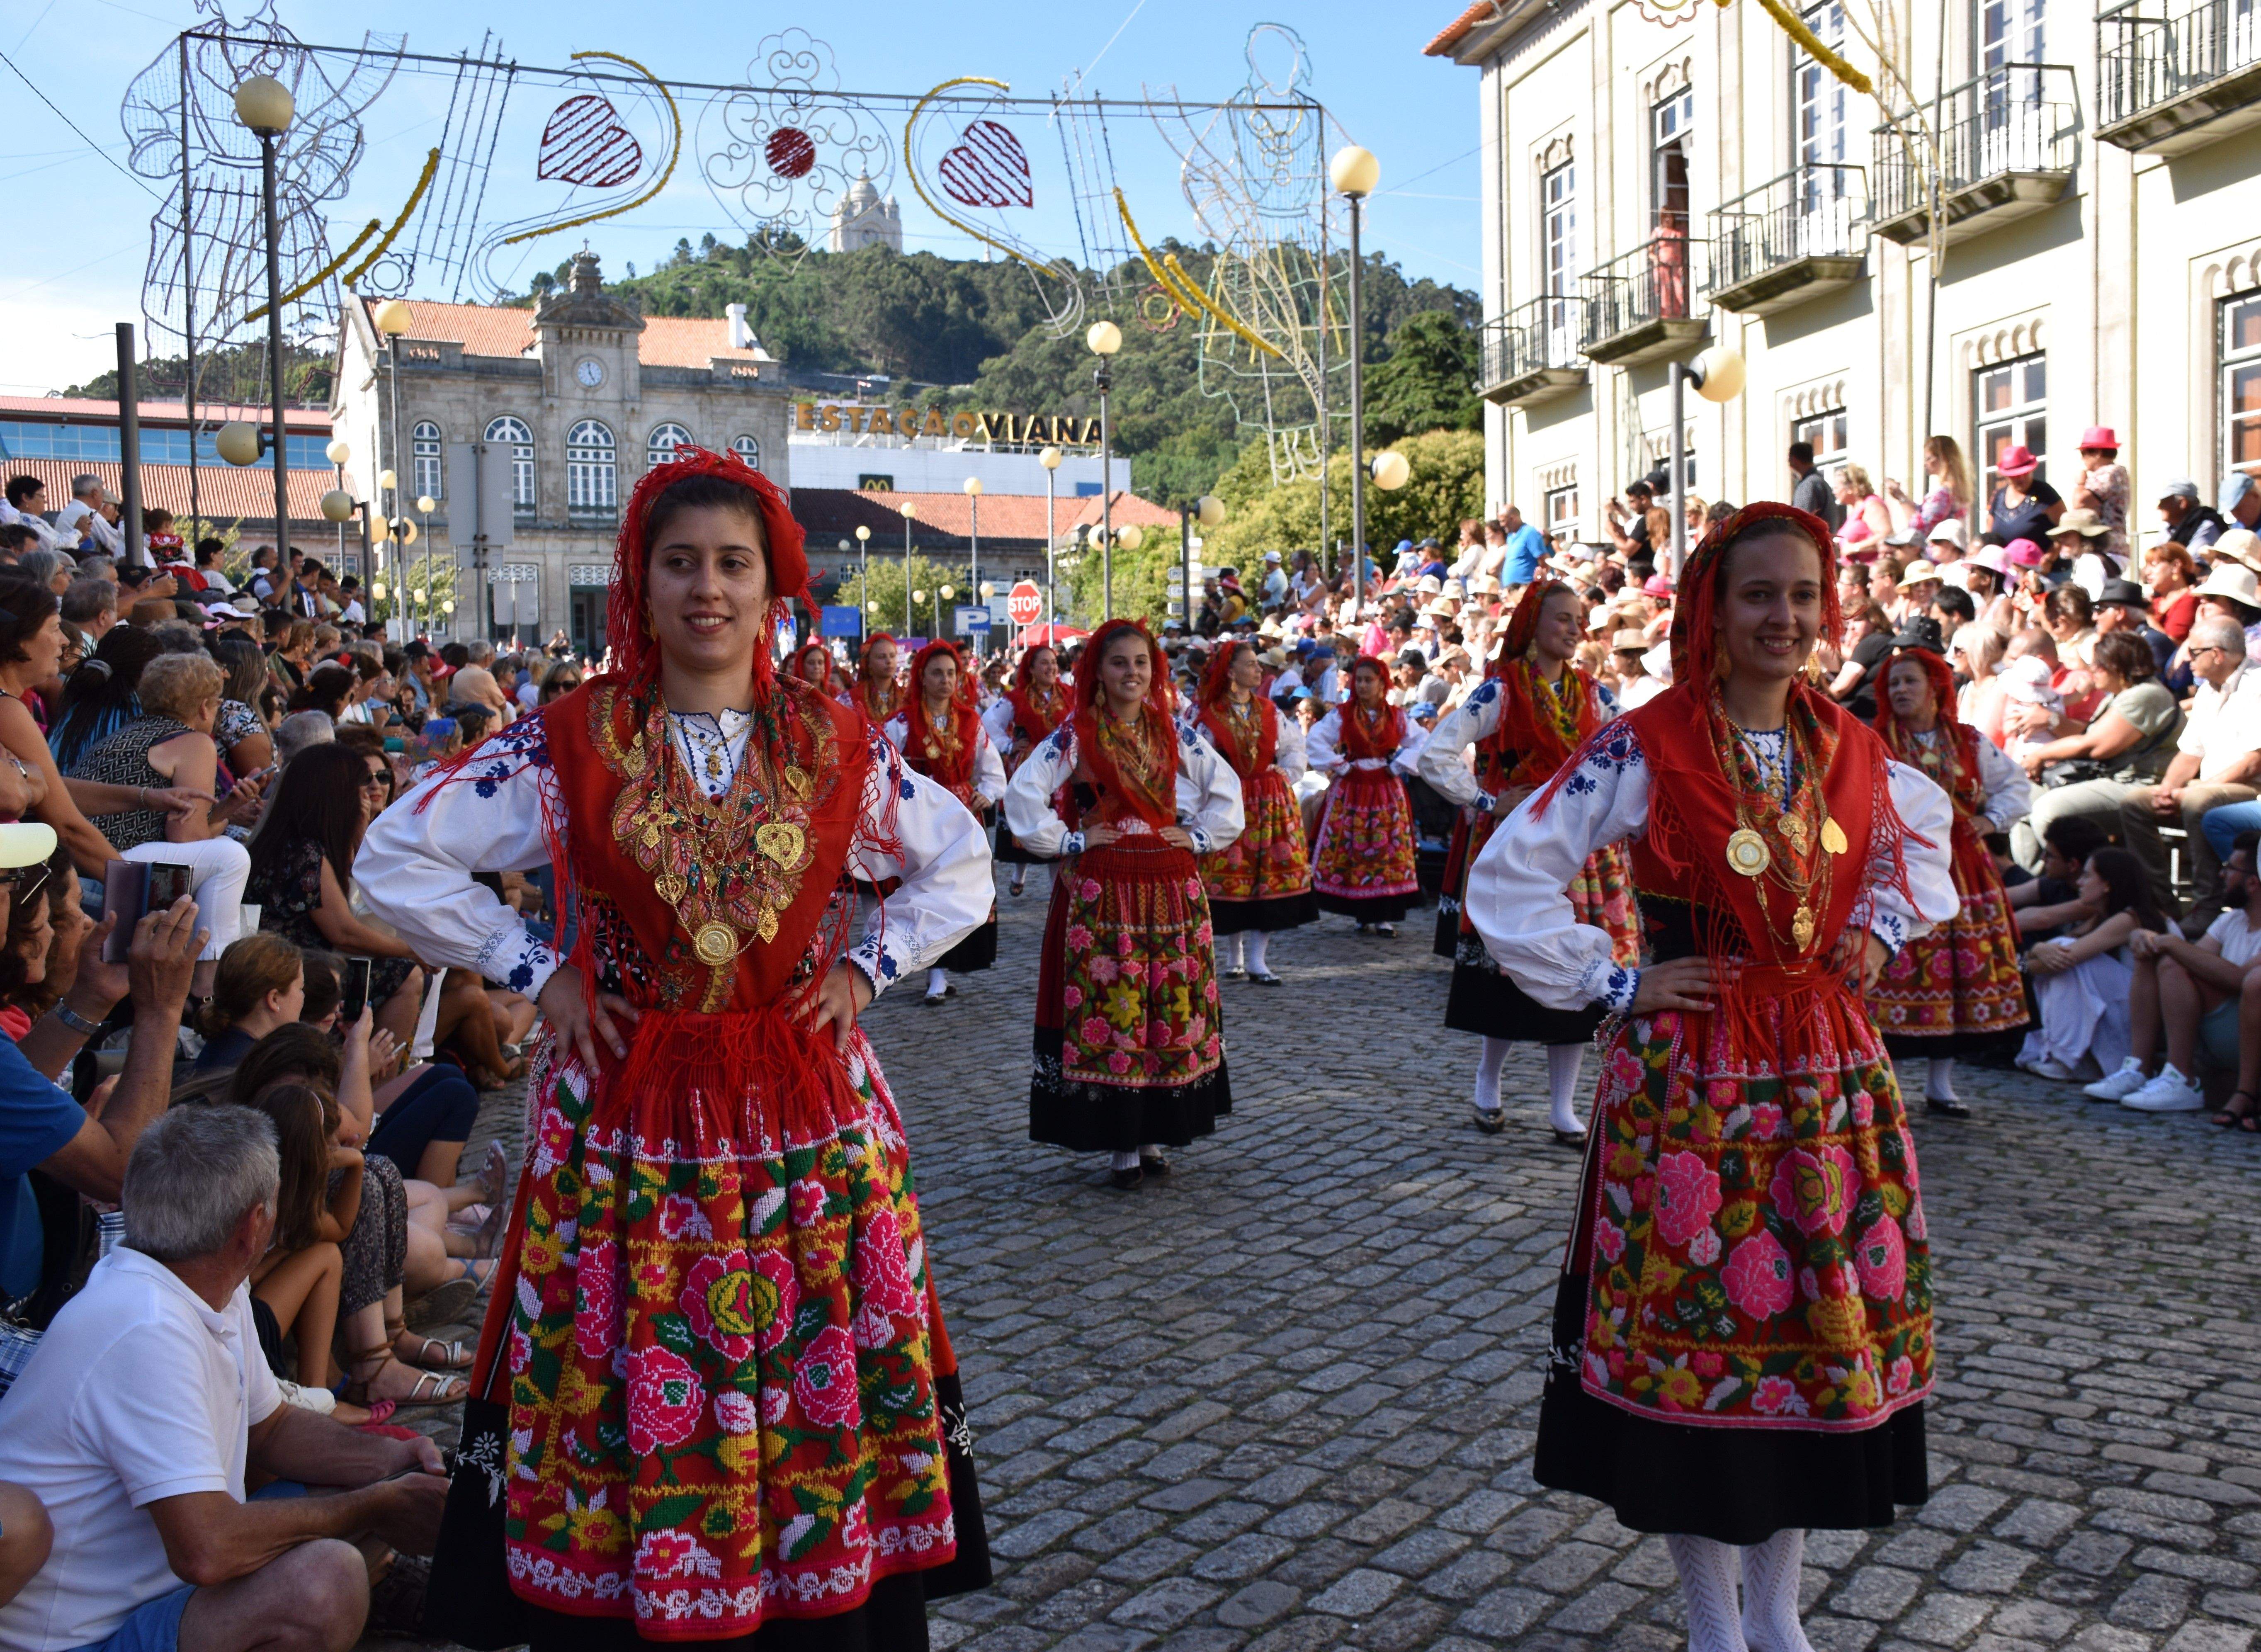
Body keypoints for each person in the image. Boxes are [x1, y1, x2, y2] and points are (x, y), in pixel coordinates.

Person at [357, 445, 995, 1645]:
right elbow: (394, 855)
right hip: (626, 1112)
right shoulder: (572, 741)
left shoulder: (833, 743)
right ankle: (642, 1591)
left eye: (733, 565)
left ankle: (818, 1592)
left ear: (771, 588)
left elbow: (959, 863)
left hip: (804, 1108)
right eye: (681, 563)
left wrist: (869, 966)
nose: (708, 587)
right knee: (625, 1357)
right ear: (641, 585)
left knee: (811, 1353)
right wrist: (532, 973)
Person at [1467, 502, 1956, 1652]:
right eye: (1756, 595)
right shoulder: (1647, 742)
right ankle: (1707, 1619)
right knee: (1700, 1333)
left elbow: (1921, 850)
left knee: (1801, 1333)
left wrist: (1879, 931)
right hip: (1693, 1078)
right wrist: (1617, 982)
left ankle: (1777, 1615)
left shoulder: (1849, 745)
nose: (1781, 617)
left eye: (1800, 594)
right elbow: (1510, 874)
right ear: (1710, 608)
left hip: (1825, 1078)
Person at [0, 1104, 449, 1652]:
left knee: (387, 1468)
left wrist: (391, 1464)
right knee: (323, 1583)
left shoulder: (202, 1281)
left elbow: (273, 1427)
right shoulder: (145, 1326)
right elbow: (206, 1550)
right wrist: (377, 1504)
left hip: (165, 1587)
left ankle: (381, 1569)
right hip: (84, 1636)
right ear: (251, 1226)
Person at [1003, 618, 1242, 1190]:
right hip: (1103, 886)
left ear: (1153, 671)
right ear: (1098, 673)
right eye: (1119, 664)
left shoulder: (1174, 732)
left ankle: (1154, 1132)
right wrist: (1067, 841)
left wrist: (1200, 834)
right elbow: (1023, 793)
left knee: (1164, 1003)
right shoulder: (1075, 733)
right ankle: (1120, 1145)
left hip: (1166, 882)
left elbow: (1225, 787)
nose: (1131, 673)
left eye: (1141, 663)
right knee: (1114, 1006)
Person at [1418, 582, 1638, 1140]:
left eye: (1580, 620)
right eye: (1563, 619)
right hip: (1522, 850)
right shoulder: (1501, 693)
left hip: (1583, 854)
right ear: (1532, 626)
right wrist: (1488, 801)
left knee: (1580, 969)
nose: (1574, 630)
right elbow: (1437, 752)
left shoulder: (1597, 697)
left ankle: (1562, 1107)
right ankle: (1487, 1082)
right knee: (1512, 972)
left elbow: (1637, 754)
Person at [1865, 649, 2032, 1113]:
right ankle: (1887, 1082)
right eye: (1892, 684)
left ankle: (1941, 1085)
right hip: (1897, 865)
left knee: (1958, 971)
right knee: (1896, 967)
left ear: (1935, 689)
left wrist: (1990, 820)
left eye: (1908, 682)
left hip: (1962, 869)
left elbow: (2015, 786)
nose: (1899, 691)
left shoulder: (1967, 742)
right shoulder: (1874, 741)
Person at [68, 651, 260, 998]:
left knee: (222, 852)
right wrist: (222, 826)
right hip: (116, 863)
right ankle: (207, 989)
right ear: (204, 707)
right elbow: (186, 837)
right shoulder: (195, 742)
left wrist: (227, 808)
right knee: (232, 857)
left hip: (85, 864)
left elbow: (186, 831)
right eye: (217, 704)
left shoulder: (122, 734)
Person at [2086, 832, 2261, 1117]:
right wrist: (2152, 940)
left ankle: (2182, 1078)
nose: (2220, 874)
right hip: (2219, 1029)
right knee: (2162, 957)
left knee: (2172, 959)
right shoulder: (2230, 920)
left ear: (2252, 882)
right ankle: (2139, 1068)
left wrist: (2169, 942)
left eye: (2229, 869)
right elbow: (2197, 959)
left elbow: (2240, 981)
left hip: (2246, 1036)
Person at [2117, 617, 2261, 926]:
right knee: (2136, 804)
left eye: (2193, 652)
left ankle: (2206, 906)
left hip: (2250, 789)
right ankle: (2159, 905)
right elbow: (2189, 753)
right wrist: (2166, 790)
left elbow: (2252, 763)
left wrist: (2195, 791)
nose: (2185, 658)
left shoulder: (2256, 687)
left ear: (2218, 654)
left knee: (2199, 804)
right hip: (2212, 784)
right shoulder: (2209, 691)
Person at [1188, 637, 1316, 984]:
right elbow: (1197, 762)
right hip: (1231, 802)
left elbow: (1293, 747)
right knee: (1234, 878)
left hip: (1270, 802)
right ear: (1230, 672)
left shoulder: (1268, 710)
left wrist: (1285, 774)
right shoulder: (1209, 716)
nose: (1257, 669)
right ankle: (1235, 956)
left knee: (1267, 876)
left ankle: (1259, 961)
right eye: (1250, 664)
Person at [884, 639, 1004, 1006]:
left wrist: (988, 791)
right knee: (928, 890)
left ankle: (950, 965)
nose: (945, 680)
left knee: (962, 889)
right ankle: (934, 975)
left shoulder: (970, 720)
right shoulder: (902, 722)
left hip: (965, 817)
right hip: (924, 817)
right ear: (922, 676)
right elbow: (883, 769)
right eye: (937, 673)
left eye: (951, 673)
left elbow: (992, 768)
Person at [2011, 630, 2184, 871]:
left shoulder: (2147, 695)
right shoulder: (2123, 694)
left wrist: (2040, 755)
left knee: (2047, 811)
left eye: (2098, 666)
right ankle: (2038, 881)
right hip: (2111, 778)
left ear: (2118, 667)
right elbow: (2089, 737)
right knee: (2020, 797)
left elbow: (2098, 747)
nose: (2092, 671)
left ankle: (2077, 883)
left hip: (2138, 785)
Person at [2016, 848, 2171, 1081]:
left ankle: (2065, 1057)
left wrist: (2025, 961)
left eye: (2087, 876)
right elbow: (2057, 954)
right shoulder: (2101, 917)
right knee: (2061, 951)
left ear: (2108, 885)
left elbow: (2064, 957)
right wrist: (2035, 953)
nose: (2080, 882)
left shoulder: (2130, 918)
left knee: (2065, 955)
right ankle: (2066, 1056)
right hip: (2129, 1005)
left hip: (2152, 1012)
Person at [1306, 655, 1422, 935]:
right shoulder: (1342, 715)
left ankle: (1383, 916)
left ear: (1383, 683)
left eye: (1369, 680)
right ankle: (1360, 912)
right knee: (1355, 849)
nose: (1363, 686)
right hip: (1353, 788)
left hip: (1385, 788)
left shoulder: (1397, 717)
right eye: (1359, 680)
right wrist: (1341, 767)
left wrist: (1398, 765)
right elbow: (1315, 739)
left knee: (1385, 848)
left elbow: (1421, 742)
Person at [981, 644, 1070, 898]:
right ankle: (1019, 874)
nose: (1051, 667)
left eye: (1053, 662)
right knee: (1027, 819)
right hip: (1030, 766)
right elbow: (990, 722)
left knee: (1057, 825)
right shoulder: (1016, 698)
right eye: (1044, 663)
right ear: (1030, 669)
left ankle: (1057, 891)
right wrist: (1008, 745)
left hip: (1061, 771)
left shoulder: (1069, 694)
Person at [1986, 445, 2064, 543]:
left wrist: (2051, 555)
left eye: (2025, 473)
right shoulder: (1998, 496)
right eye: (2016, 475)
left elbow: (2065, 529)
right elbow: (1989, 533)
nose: (2022, 478)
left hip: (2041, 558)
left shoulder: (2045, 493)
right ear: (2006, 476)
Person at [1787, 442, 1839, 527]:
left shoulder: (1808, 485)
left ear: (1794, 460)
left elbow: (1802, 521)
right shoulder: (1820, 482)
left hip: (1812, 540)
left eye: (1789, 461)